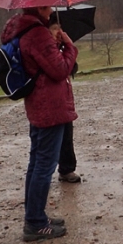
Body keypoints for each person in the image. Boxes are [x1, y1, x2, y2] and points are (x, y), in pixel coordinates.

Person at [1, 6, 78, 241]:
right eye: (47, 6)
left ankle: (35, 216)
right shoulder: (38, 34)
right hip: (50, 107)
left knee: (37, 163)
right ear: (39, 7)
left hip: (39, 105)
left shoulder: (25, 30)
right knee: (44, 166)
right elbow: (60, 70)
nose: (51, 10)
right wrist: (69, 47)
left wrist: (56, 47)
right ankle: (35, 223)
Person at [48, 21, 81, 184]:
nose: (59, 32)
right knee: (49, 140)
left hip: (64, 99)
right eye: (55, 29)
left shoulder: (59, 49)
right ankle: (44, 174)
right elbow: (60, 71)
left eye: (60, 28)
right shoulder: (47, 50)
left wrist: (67, 48)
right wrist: (69, 47)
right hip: (51, 100)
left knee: (67, 135)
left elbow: (71, 68)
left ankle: (67, 168)